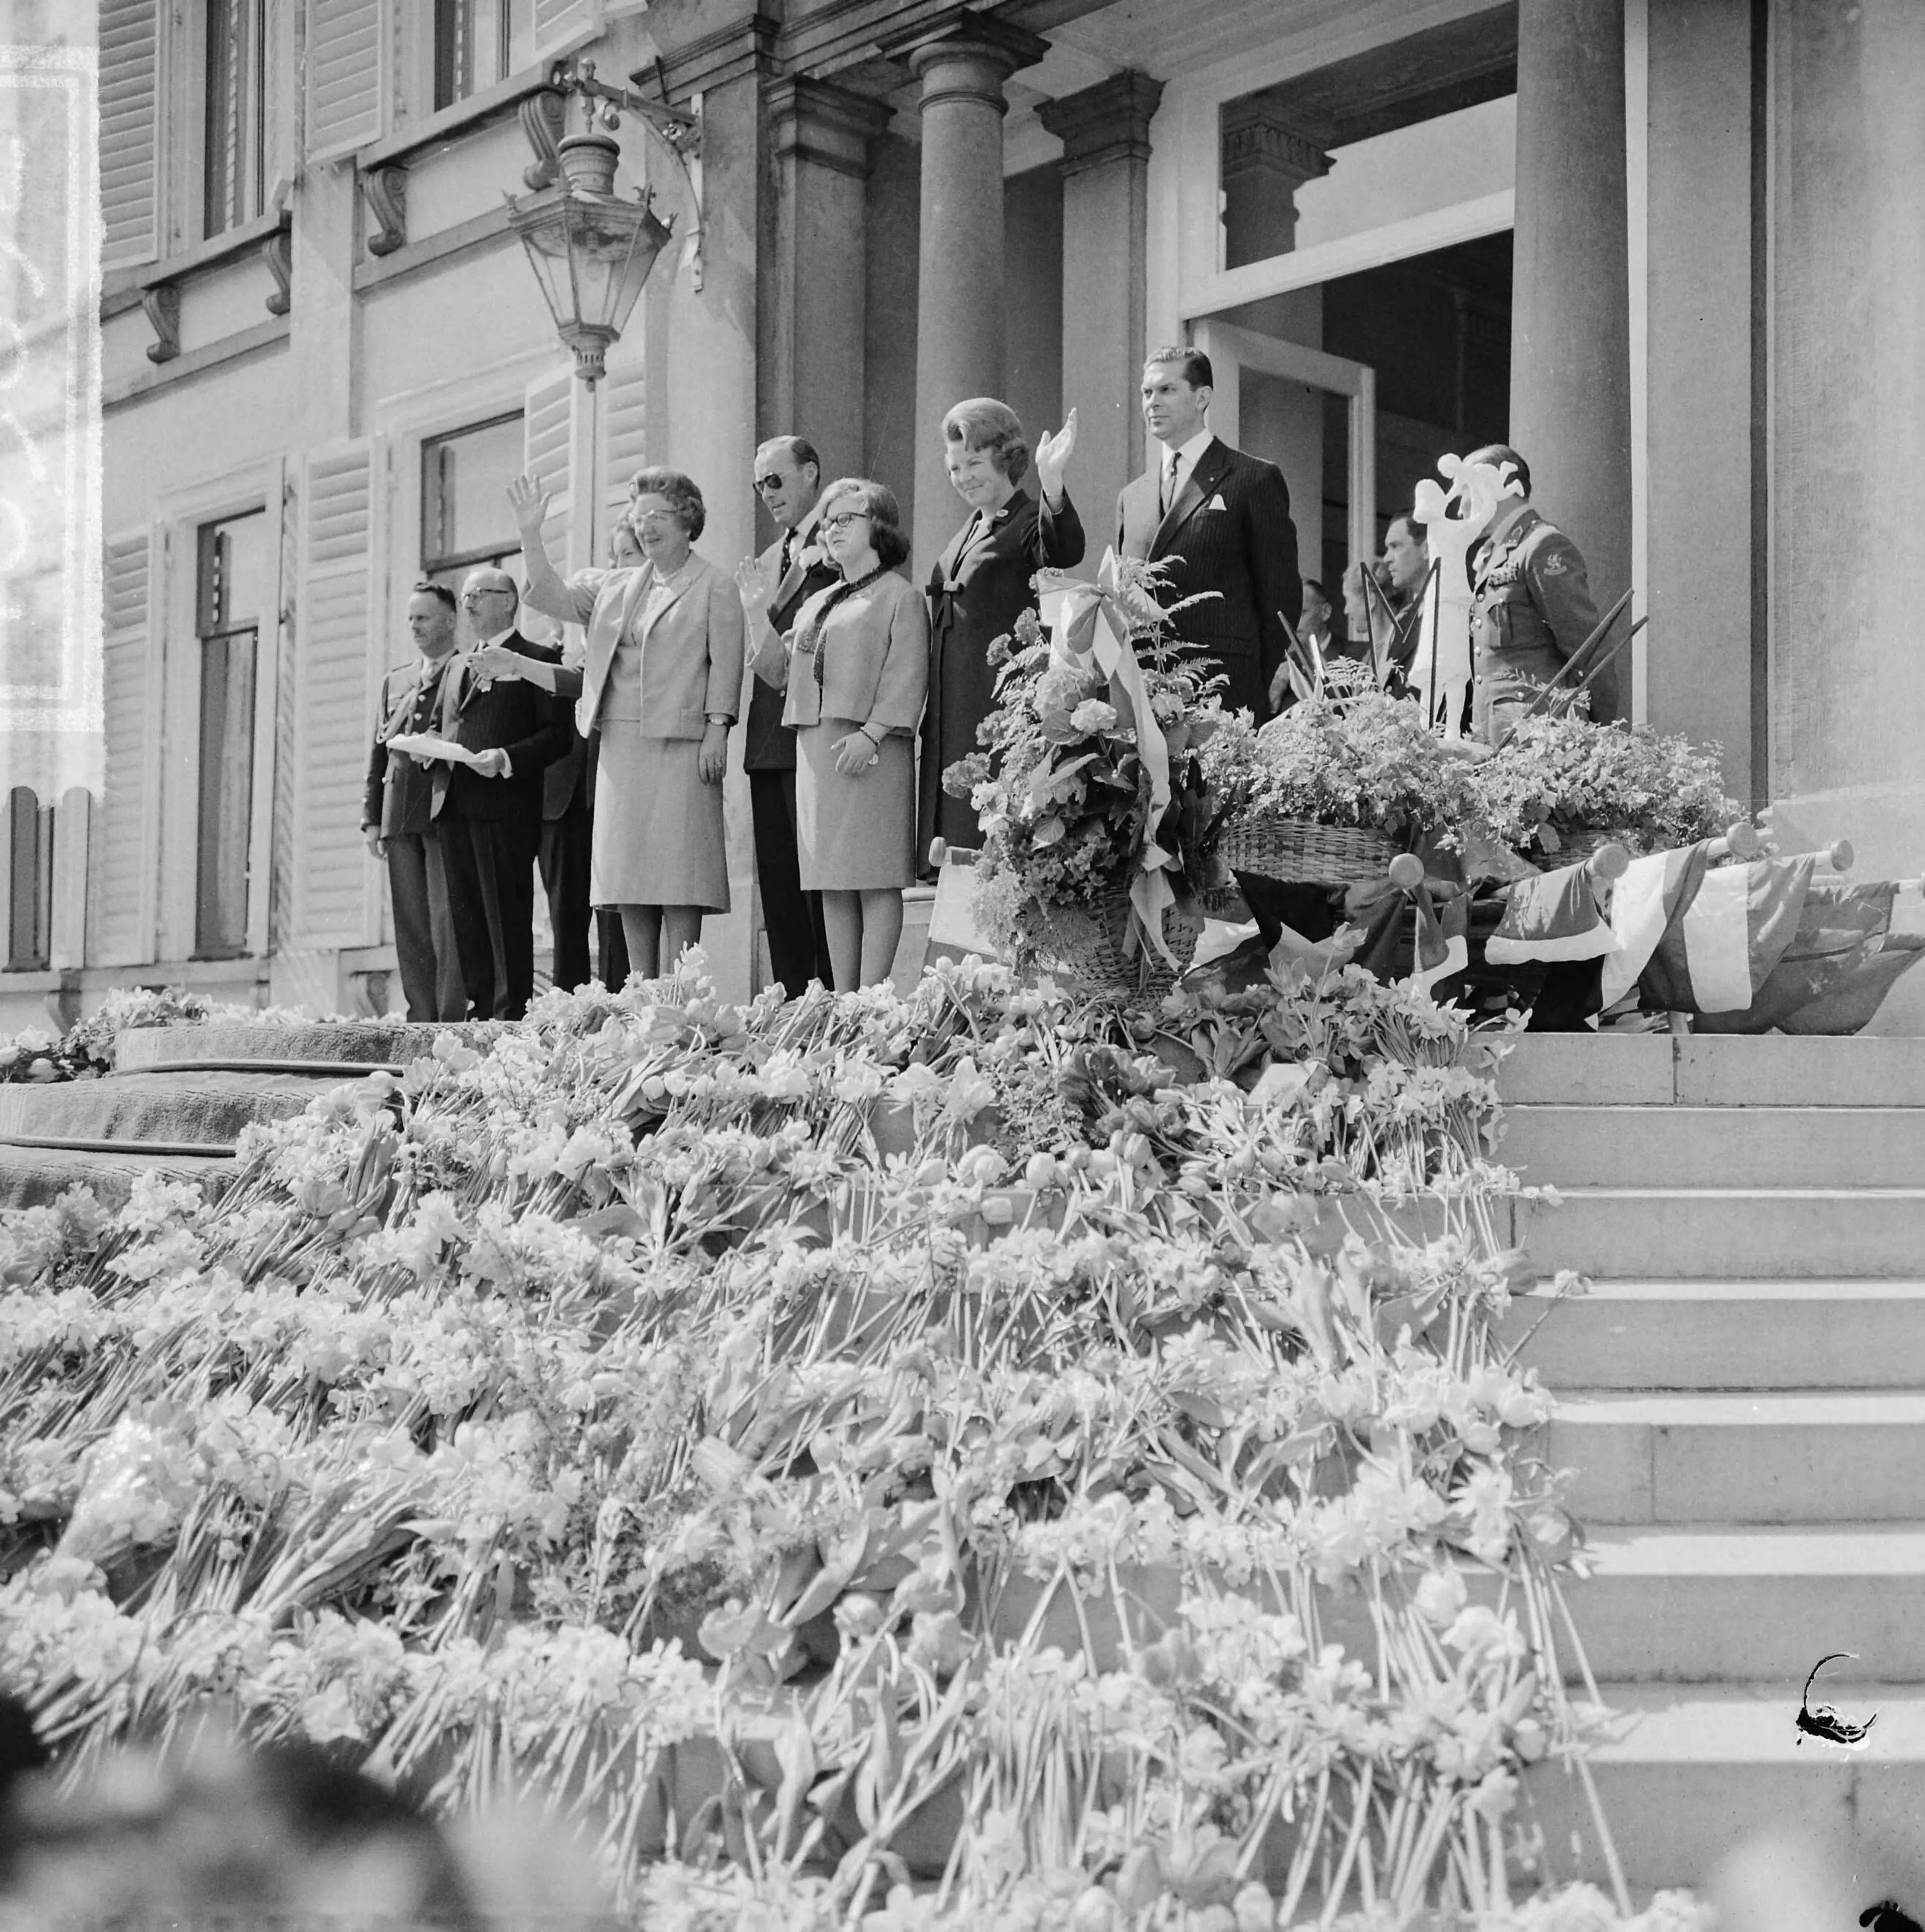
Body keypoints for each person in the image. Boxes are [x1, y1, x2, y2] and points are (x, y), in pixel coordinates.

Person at [507, 467, 744, 979]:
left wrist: (718, 727)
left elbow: (726, 663)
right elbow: (549, 594)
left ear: (687, 519)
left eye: (658, 515)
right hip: (621, 742)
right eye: (639, 518)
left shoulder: (715, 585)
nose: (647, 527)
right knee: (628, 872)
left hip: (683, 744)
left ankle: (683, 991)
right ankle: (641, 988)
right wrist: (531, 533)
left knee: (681, 873)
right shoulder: (615, 586)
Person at [740, 478, 928, 991]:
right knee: (832, 881)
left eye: (847, 518)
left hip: (871, 750)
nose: (832, 528)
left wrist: (873, 733)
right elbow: (777, 673)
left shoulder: (900, 595)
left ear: (880, 527)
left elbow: (908, 671)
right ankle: (844, 998)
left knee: (874, 874)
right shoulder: (814, 601)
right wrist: (758, 611)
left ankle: (874, 999)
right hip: (816, 751)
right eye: (828, 521)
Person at [921, 399, 1084, 866]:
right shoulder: (968, 529)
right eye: (955, 467)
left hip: (998, 712)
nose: (963, 476)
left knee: (995, 846)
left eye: (973, 462)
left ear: (1005, 457)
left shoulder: (1028, 518)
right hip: (953, 715)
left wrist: (1052, 483)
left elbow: (1064, 547)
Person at [1117, 345, 1302, 721]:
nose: (1153, 402)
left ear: (1203, 397)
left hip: (1222, 692)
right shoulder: (1132, 497)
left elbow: (1280, 597)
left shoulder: (1252, 478)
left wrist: (1251, 680)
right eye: (1146, 392)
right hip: (1147, 695)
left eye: (1167, 390)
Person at [435, 569, 571, 1020]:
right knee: (467, 917)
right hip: (455, 802)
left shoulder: (535, 657)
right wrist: (427, 751)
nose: (468, 603)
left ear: (510, 601)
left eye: (479, 594)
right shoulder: (456, 664)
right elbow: (444, 725)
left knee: (505, 914)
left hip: (506, 806)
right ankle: (479, 1010)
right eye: (465, 595)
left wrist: (507, 758)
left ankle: (512, 1014)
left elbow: (557, 736)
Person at [743, 436, 839, 997]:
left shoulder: (839, 538)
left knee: (817, 884)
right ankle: (793, 1005)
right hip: (766, 739)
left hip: (812, 728)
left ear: (811, 473)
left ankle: (829, 1003)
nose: (767, 495)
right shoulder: (765, 560)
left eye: (776, 481)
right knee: (779, 884)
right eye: (759, 486)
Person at [360, 582, 467, 1021]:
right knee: (411, 923)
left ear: (448, 620)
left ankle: (449, 1015)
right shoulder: (398, 679)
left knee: (447, 923)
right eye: (410, 619)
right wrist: (371, 815)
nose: (415, 627)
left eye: (423, 617)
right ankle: (420, 1016)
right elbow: (379, 749)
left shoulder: (466, 669)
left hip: (446, 809)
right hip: (399, 810)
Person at [1460, 442, 1602, 745]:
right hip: (1497, 737)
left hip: (1539, 738)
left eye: (1467, 493)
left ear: (1501, 487)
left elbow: (1587, 649)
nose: (1461, 510)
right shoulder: (1491, 556)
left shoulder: (1543, 546)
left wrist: (1599, 727)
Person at [1342, 510, 1430, 678]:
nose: (1387, 558)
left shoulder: (1449, 611)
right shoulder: (1405, 621)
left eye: (1396, 546)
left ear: (1426, 549)